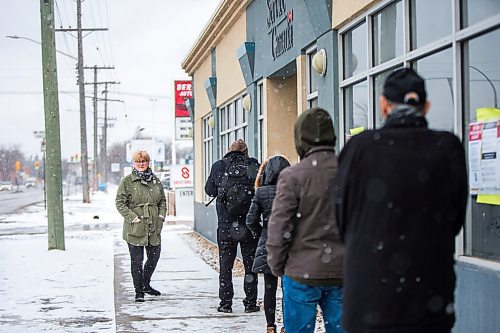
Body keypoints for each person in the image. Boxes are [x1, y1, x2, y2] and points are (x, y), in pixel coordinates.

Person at [334, 68, 468, 333]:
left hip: (369, 299)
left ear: (384, 105)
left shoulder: (359, 148)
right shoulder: (447, 147)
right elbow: (454, 220)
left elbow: (342, 218)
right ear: (426, 106)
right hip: (429, 298)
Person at [267, 107, 345, 333]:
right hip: (341, 271)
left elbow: (280, 226)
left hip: (301, 271)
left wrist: (277, 263)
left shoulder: (293, 176)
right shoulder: (350, 171)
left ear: (300, 139)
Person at [205, 139, 261, 313]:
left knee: (226, 266)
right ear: (246, 151)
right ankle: (251, 304)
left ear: (228, 151)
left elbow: (209, 190)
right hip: (248, 224)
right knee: (250, 265)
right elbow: (261, 189)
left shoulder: (219, 166)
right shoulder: (253, 165)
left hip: (226, 225)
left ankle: (225, 304)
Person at [246, 155, 291, 333]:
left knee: (269, 288)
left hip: (268, 244)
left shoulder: (261, 192)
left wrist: (262, 233)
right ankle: (287, 326)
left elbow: (250, 220)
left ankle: (270, 325)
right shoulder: (292, 191)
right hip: (289, 244)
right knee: (288, 290)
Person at [115, 150, 167, 302]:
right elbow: (120, 203)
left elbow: (162, 201)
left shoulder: (156, 181)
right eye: (138, 161)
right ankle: (139, 291)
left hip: (153, 227)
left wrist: (161, 216)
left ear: (148, 162)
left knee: (154, 257)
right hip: (135, 227)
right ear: (134, 164)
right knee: (136, 261)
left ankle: (146, 284)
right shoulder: (127, 181)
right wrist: (133, 217)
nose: (141, 164)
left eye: (144, 161)